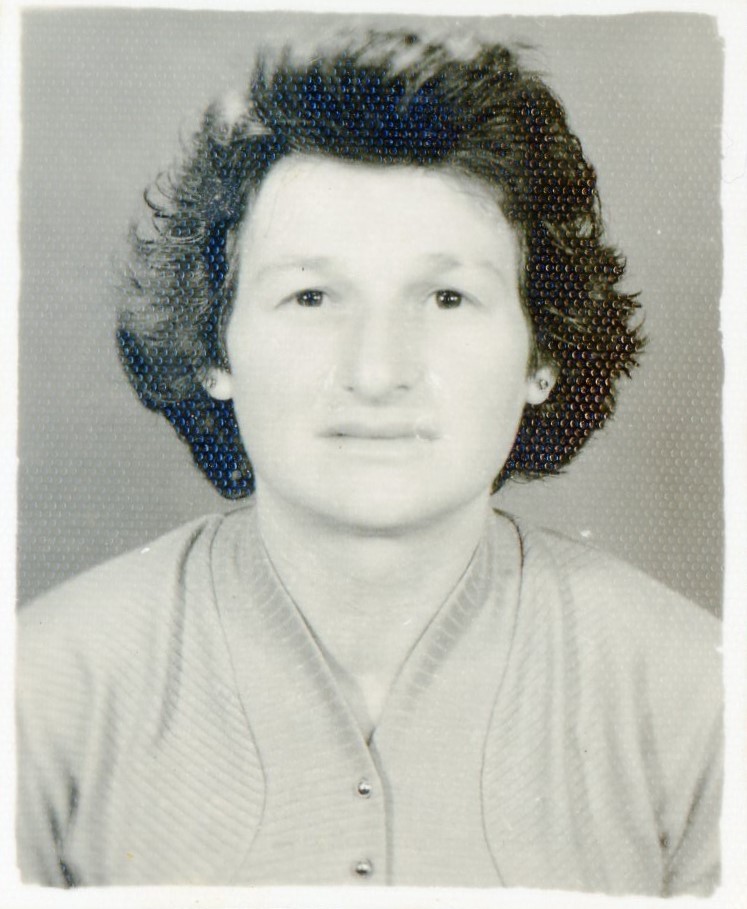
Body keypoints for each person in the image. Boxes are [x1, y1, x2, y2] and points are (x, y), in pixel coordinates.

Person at [16, 29, 722, 894]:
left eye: (447, 297)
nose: (378, 371)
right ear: (215, 346)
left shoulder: (699, 694)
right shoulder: (42, 688)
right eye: (311, 296)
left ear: (541, 354)